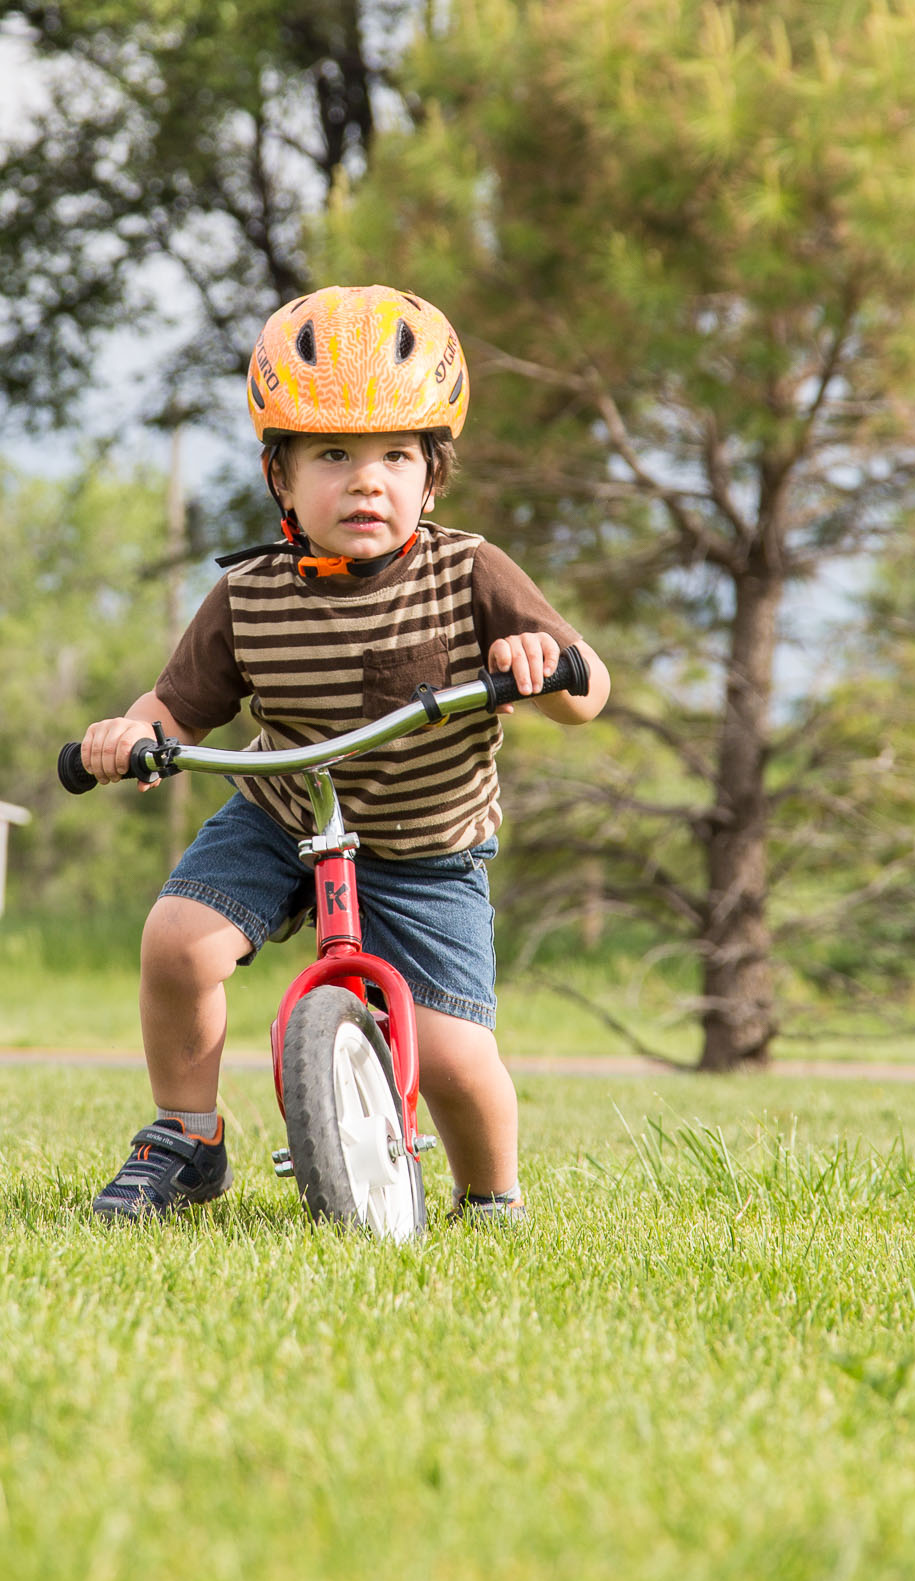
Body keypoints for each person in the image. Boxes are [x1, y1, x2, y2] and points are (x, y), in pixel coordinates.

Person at [79, 285, 610, 1223]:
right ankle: (186, 1138)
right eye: (332, 456)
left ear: (431, 478)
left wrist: (544, 667)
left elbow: (587, 690)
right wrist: (133, 735)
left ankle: (492, 1197)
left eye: (395, 456)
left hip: (424, 847)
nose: (367, 482)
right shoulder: (248, 595)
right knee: (177, 943)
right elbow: (176, 709)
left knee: (451, 1057)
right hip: (282, 814)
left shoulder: (468, 571)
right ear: (279, 479)